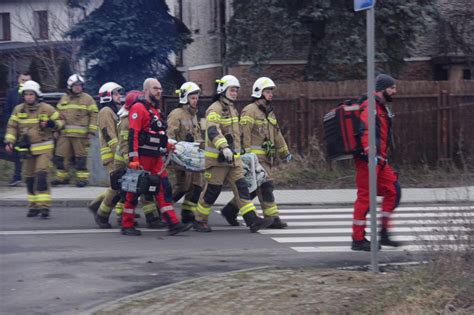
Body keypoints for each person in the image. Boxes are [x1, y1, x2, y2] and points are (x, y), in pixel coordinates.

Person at [194, 75, 273, 233]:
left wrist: (241, 152)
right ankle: (199, 220)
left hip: (234, 161)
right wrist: (223, 147)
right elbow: (212, 130)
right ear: (223, 90)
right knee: (212, 192)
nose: (235, 93)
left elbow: (236, 135)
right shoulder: (214, 109)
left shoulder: (231, 109)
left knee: (243, 189)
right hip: (217, 161)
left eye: (236, 90)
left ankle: (252, 220)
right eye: (232, 90)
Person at [220, 77, 291, 229]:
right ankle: (272, 217)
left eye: (271, 91)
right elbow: (243, 134)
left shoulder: (269, 113)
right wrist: (246, 156)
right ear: (259, 92)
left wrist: (284, 152)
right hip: (255, 159)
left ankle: (229, 210)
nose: (270, 94)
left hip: (266, 157)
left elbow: (277, 134)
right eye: (267, 91)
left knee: (253, 189)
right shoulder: (249, 110)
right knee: (266, 186)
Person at [123, 78, 191, 236]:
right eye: (155, 89)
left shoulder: (154, 111)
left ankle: (173, 223)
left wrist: (167, 145)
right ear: (146, 90)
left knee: (164, 188)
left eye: (160, 88)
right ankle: (127, 224)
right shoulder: (138, 108)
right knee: (134, 191)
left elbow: (158, 134)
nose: (159, 91)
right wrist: (134, 159)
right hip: (142, 157)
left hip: (156, 158)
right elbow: (133, 134)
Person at [351, 73, 401, 251]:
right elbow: (365, 128)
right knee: (365, 197)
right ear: (382, 89)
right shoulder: (370, 106)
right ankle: (357, 239)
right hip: (368, 160)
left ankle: (384, 233)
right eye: (392, 88)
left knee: (394, 191)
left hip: (380, 160)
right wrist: (367, 149)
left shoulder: (381, 107)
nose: (395, 91)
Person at [4, 80, 64, 218]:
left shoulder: (46, 108)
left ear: (37, 95)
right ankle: (33, 206)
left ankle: (44, 207)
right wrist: (9, 141)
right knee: (29, 179)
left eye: (31, 94)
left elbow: (61, 122)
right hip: (28, 150)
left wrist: (51, 123)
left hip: (44, 148)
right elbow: (12, 127)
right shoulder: (18, 110)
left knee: (42, 176)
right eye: (26, 94)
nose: (29, 97)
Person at [52, 74, 98, 187]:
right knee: (61, 157)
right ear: (70, 86)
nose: (78, 87)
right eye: (75, 85)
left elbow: (94, 115)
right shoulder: (64, 99)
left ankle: (82, 179)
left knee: (81, 158)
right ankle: (62, 177)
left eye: (80, 85)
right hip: (64, 135)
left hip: (80, 136)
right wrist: (56, 129)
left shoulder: (88, 99)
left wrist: (91, 130)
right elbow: (58, 115)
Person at [167, 82, 203, 224]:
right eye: (192, 98)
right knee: (183, 187)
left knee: (197, 187)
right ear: (184, 98)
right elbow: (170, 137)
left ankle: (188, 214)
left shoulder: (194, 115)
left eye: (196, 97)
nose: (196, 100)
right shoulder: (176, 114)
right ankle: (164, 208)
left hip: (195, 158)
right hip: (181, 158)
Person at [2, 72, 32, 186]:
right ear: (19, 80)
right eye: (22, 80)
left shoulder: (34, 92)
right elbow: (7, 110)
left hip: (30, 128)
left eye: (27, 80)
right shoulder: (12, 93)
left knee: (30, 154)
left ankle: (31, 177)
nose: (24, 82)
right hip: (16, 127)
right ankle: (17, 177)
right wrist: (9, 125)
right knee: (16, 154)